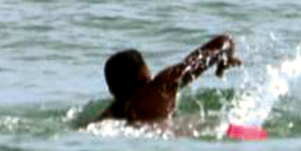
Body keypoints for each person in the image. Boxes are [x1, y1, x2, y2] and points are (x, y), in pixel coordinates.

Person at [97, 34, 241, 125]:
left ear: (111, 90)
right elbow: (223, 42)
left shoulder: (112, 113)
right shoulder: (161, 86)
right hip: (177, 134)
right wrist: (224, 60)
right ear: (143, 75)